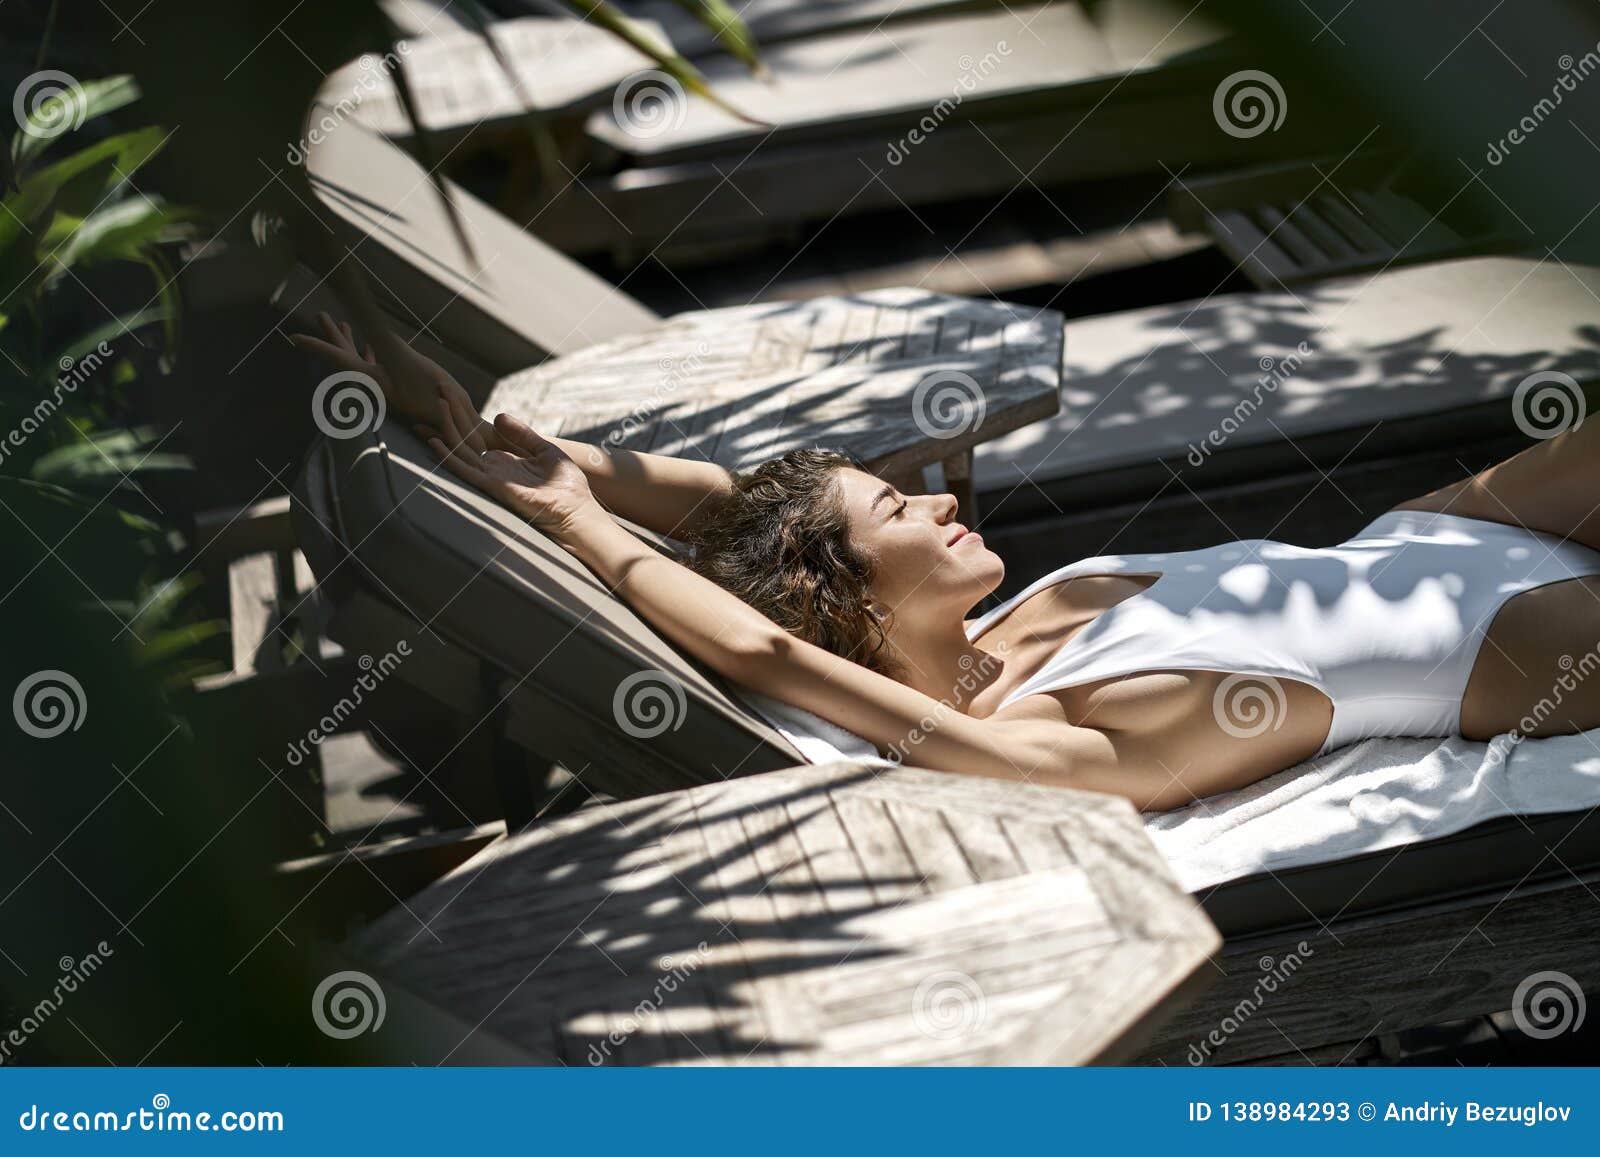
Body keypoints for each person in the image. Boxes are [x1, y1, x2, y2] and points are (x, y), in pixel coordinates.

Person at [293, 314, 1600, 812]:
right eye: (897, 513)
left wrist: (520, 444)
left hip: (1432, 531)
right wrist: (578, 529)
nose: (931, 495)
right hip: (1539, 641)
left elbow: (736, 510)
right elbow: (761, 646)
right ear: (842, 596)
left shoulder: (1014, 617)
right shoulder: (1049, 739)